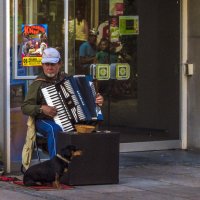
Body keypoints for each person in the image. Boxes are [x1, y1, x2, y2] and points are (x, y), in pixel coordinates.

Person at [21, 47, 104, 159]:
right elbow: (25, 107)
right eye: (47, 64)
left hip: (69, 119)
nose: (49, 68)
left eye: (53, 64)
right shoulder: (38, 83)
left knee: (87, 126)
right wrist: (42, 108)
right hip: (44, 119)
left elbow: (87, 97)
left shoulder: (68, 79)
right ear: (42, 65)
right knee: (54, 129)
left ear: (59, 64)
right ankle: (55, 167)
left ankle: (83, 164)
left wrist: (97, 100)